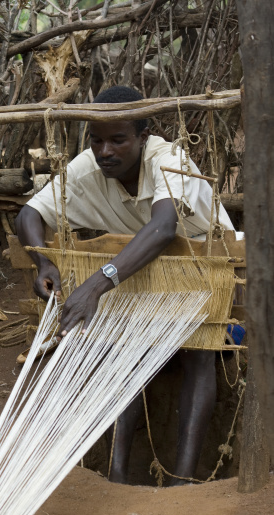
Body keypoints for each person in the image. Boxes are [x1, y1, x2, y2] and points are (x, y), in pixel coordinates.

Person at [16, 86, 237, 487]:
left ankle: (182, 479)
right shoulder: (89, 168)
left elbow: (163, 228)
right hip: (141, 269)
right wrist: (44, 261)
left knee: (197, 351)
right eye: (97, 140)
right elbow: (30, 213)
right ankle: (116, 478)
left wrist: (96, 286)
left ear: (142, 136)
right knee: (124, 348)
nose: (105, 151)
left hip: (204, 269)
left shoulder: (169, 160)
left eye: (118, 139)